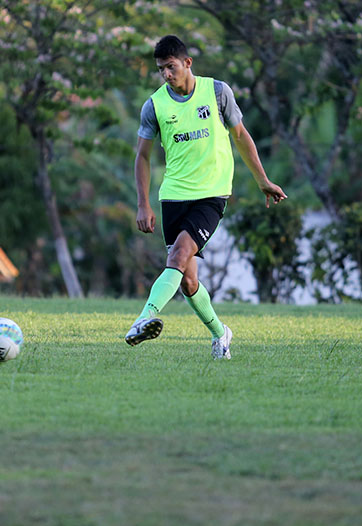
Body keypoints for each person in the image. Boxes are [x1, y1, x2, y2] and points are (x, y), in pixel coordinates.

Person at [125, 35, 287, 360]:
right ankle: (220, 333)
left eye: (170, 67)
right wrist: (143, 202)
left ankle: (143, 317)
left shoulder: (217, 92)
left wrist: (262, 180)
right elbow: (142, 157)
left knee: (178, 256)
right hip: (172, 196)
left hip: (211, 195)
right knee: (187, 281)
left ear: (187, 63)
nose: (166, 75)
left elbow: (240, 136)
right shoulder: (154, 106)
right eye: (160, 70)